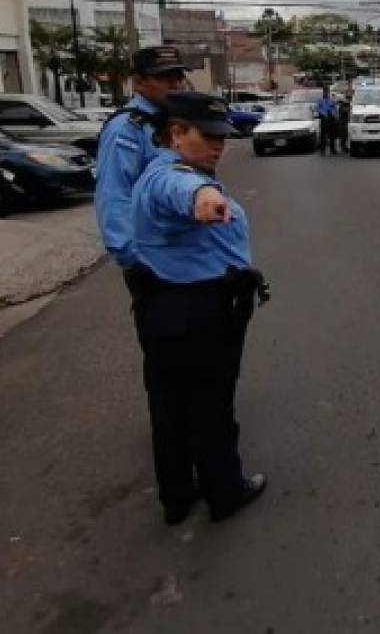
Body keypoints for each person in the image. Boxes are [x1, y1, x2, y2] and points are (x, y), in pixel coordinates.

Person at [129, 92, 269, 525]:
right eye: (206, 136)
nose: (218, 145)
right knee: (211, 406)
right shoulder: (174, 178)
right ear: (176, 133)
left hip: (165, 304)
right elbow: (187, 193)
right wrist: (205, 198)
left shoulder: (163, 171)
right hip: (201, 310)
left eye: (221, 137)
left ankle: (177, 496)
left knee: (171, 406)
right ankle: (224, 492)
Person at [96, 45, 188, 283]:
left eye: (178, 76)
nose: (175, 84)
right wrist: (133, 258)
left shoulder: (172, 120)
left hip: (184, 250)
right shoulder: (127, 128)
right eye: (164, 78)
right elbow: (114, 193)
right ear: (138, 82)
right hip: (151, 258)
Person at [315, 87, 338, 155]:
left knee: (332, 135)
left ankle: (332, 150)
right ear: (323, 92)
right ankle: (322, 151)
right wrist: (323, 113)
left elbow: (334, 108)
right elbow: (317, 109)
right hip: (324, 118)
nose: (326, 93)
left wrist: (334, 114)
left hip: (331, 118)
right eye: (325, 92)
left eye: (327, 92)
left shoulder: (331, 100)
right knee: (323, 136)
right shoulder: (320, 100)